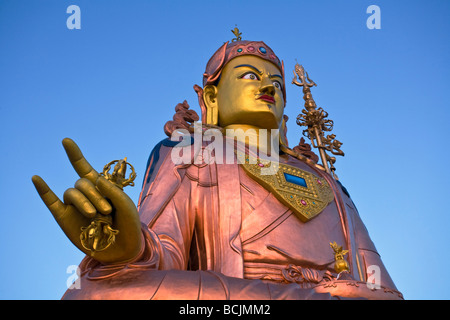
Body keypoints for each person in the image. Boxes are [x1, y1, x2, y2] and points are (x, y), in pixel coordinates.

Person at [32, 37, 403, 300]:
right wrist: (128, 250)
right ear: (211, 96)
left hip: (334, 296)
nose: (268, 86)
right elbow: (164, 257)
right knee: (96, 294)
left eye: (276, 82)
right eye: (249, 76)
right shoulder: (188, 152)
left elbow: (377, 283)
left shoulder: (327, 182)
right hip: (233, 302)